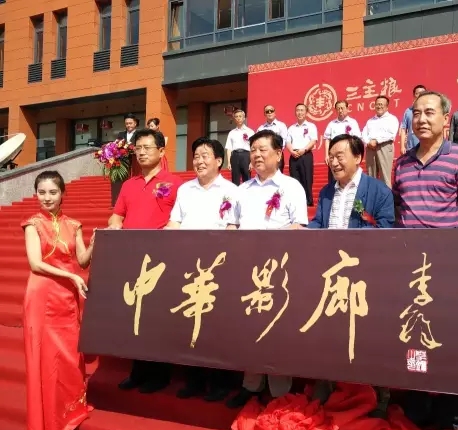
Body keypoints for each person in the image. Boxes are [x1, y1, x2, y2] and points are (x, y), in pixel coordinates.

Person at [394, 90, 458, 430]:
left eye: (429, 112)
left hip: (445, 266)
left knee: (446, 339)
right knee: (413, 336)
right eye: (416, 113)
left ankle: (449, 413)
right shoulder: (402, 162)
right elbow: (399, 210)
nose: (421, 119)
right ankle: (416, 406)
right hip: (408, 266)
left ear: (446, 119)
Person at [308, 133, 394, 416]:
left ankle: (379, 392)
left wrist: (351, 240)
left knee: (369, 335)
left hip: (363, 276)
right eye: (331, 157)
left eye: (340, 156)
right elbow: (319, 224)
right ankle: (326, 382)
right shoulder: (326, 192)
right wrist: (302, 230)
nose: (334, 162)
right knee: (328, 331)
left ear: (358, 158)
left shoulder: (378, 191)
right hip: (332, 275)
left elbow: (385, 229)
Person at [225, 129, 308, 409]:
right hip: (247, 270)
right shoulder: (241, 190)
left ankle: (280, 391)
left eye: (263, 149)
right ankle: (250, 385)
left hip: (279, 272)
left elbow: (299, 227)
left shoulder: (292, 187)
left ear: (278, 154)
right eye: (253, 150)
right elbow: (232, 225)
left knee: (277, 329)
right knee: (249, 328)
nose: (257, 155)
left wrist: (267, 242)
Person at [21, 171, 95, 430]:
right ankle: (46, 427)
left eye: (53, 192)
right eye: (42, 192)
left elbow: (82, 261)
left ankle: (67, 419)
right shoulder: (32, 224)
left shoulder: (74, 225)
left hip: (66, 300)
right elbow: (35, 263)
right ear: (36, 194)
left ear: (63, 193)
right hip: (42, 297)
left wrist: (94, 243)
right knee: (43, 360)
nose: (47, 197)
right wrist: (72, 277)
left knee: (68, 359)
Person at [108, 128, 183, 394]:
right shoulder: (129, 184)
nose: (141, 152)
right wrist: (114, 225)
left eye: (147, 148)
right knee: (134, 315)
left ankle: (160, 373)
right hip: (132, 258)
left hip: (161, 260)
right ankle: (137, 371)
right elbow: (117, 215)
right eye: (137, 148)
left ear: (161, 151)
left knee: (157, 317)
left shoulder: (175, 183)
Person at [166, 137, 240, 401]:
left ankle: (221, 382)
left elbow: (233, 228)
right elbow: (174, 223)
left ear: (219, 161)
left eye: (204, 155)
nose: (198, 160)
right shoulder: (185, 190)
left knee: (217, 327)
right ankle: (194, 380)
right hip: (188, 268)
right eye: (196, 156)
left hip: (217, 268)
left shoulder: (232, 190)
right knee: (190, 323)